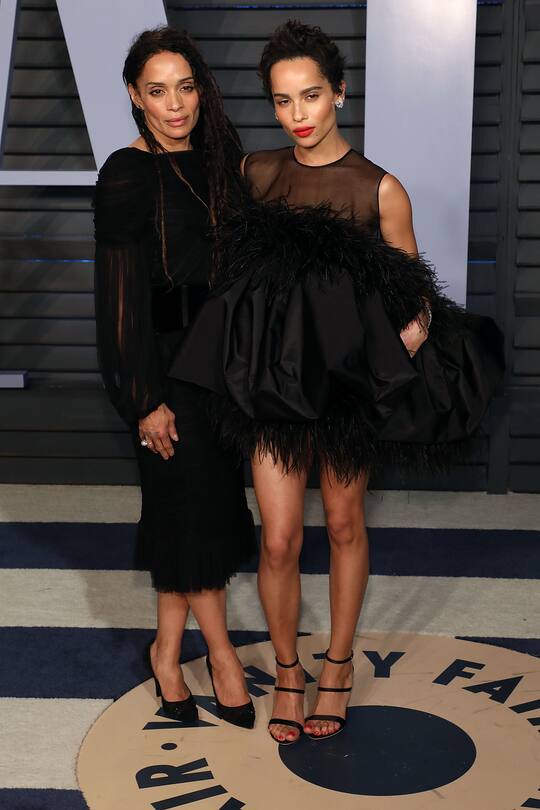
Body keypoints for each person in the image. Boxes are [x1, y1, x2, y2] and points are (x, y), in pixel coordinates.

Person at [169, 20, 504, 744]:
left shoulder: (380, 189)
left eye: (312, 96)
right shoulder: (257, 175)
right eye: (284, 101)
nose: (298, 115)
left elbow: (414, 296)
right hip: (273, 392)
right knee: (281, 539)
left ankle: (338, 666)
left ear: (340, 94)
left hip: (345, 397)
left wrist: (386, 361)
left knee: (346, 523)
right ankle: (289, 671)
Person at [93, 26, 256, 729]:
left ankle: (166, 650)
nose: (175, 104)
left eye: (185, 86)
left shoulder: (223, 160)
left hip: (222, 367)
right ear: (135, 96)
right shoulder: (127, 174)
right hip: (162, 369)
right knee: (188, 508)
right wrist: (143, 398)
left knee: (198, 514)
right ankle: (220, 655)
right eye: (157, 91)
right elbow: (118, 295)